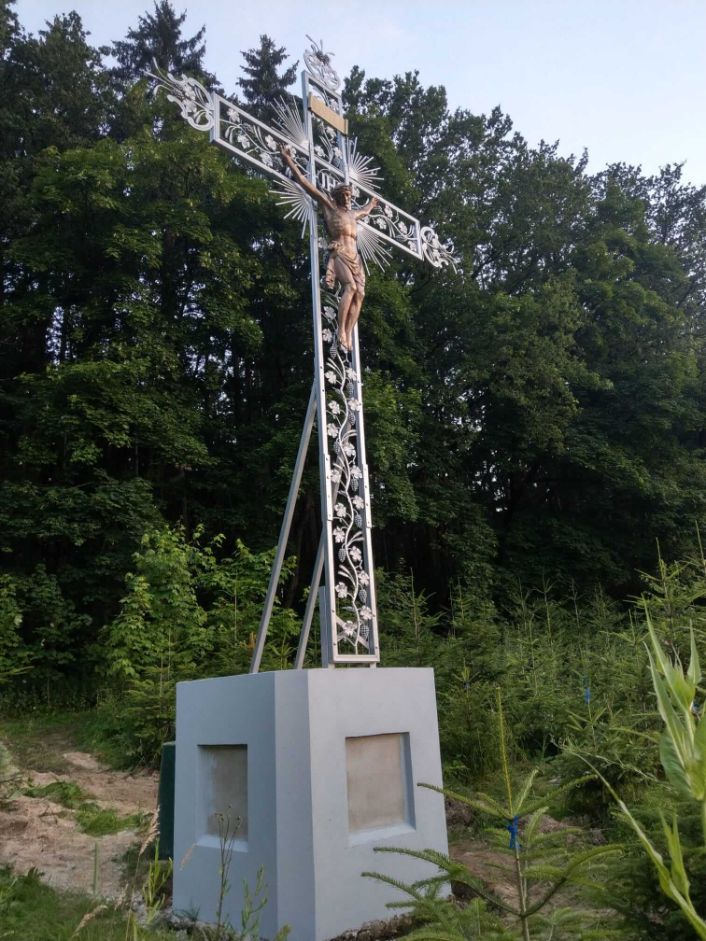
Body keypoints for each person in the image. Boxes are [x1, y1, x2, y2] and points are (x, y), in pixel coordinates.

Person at [280, 145, 378, 351]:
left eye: (350, 196)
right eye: (345, 195)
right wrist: (289, 161)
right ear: (338, 196)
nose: (348, 198)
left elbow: (365, 211)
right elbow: (306, 183)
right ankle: (341, 330)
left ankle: (348, 333)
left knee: (360, 294)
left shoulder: (353, 214)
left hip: (356, 256)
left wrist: (371, 204)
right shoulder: (329, 206)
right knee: (350, 287)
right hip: (340, 252)